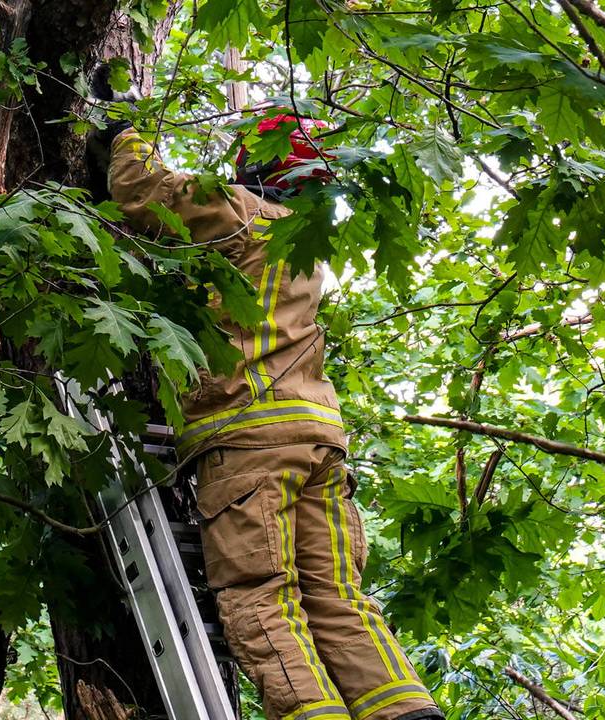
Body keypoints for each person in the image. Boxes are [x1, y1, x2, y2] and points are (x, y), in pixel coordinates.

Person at [100, 115, 444, 720]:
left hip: (247, 438)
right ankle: (404, 711)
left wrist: (129, 132)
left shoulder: (242, 213)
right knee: (338, 597)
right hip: (318, 440)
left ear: (257, 167)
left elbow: (140, 189)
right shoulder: (308, 246)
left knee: (261, 599)